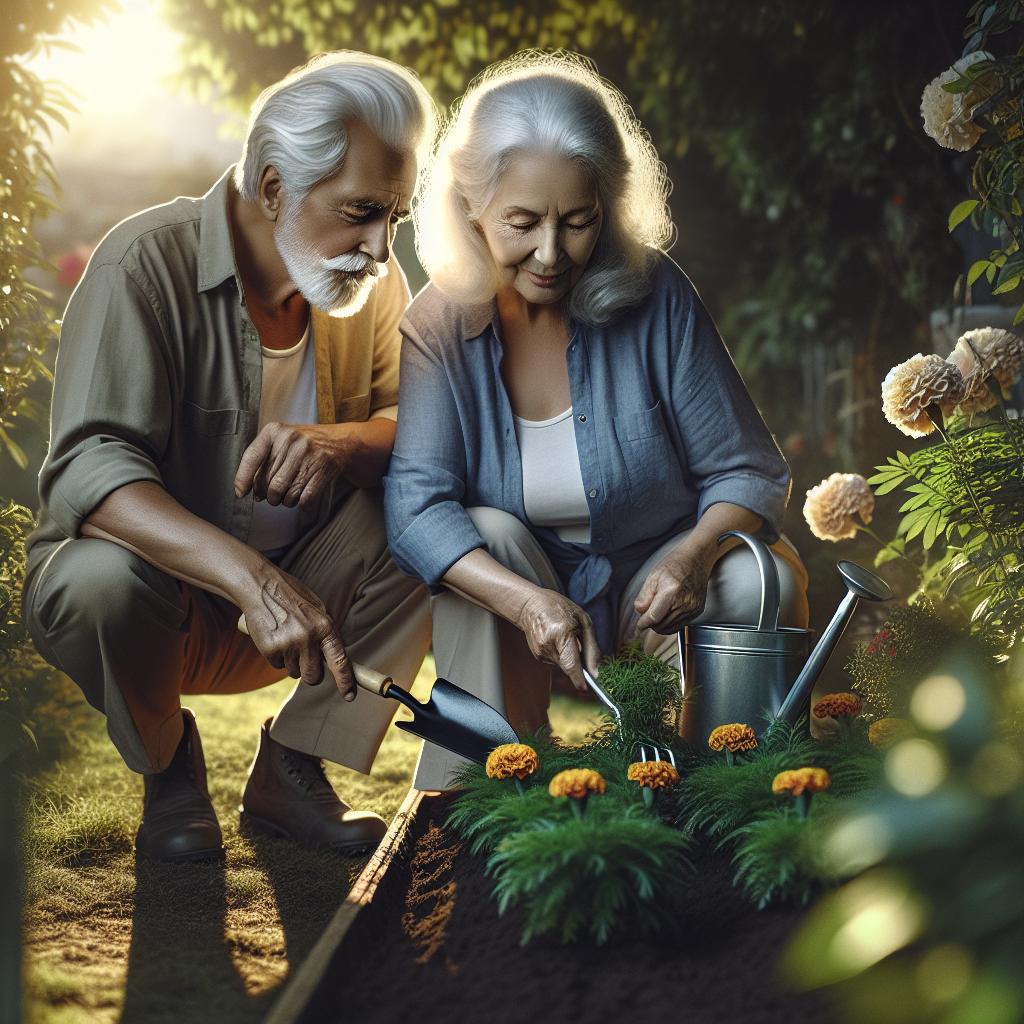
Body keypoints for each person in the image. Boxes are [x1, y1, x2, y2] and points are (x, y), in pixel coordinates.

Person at [22, 52, 437, 861]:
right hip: (155, 609)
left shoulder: (367, 284)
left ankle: (293, 766)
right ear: (275, 185)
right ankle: (170, 769)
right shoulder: (141, 265)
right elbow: (88, 468)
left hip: (308, 615)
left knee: (440, 518)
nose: (382, 250)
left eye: (396, 217)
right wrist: (252, 581)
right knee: (98, 577)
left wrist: (341, 442)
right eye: (360, 212)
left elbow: (424, 428)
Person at [384, 52, 809, 791]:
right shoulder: (437, 328)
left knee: (755, 573)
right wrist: (527, 601)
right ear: (470, 207)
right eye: (522, 223)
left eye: (577, 222)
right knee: (483, 537)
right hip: (531, 604)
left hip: (660, 598)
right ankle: (475, 797)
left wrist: (696, 554)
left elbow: (748, 469)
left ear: (606, 209)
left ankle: (734, 791)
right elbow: (417, 508)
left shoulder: (658, 297)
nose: (552, 254)